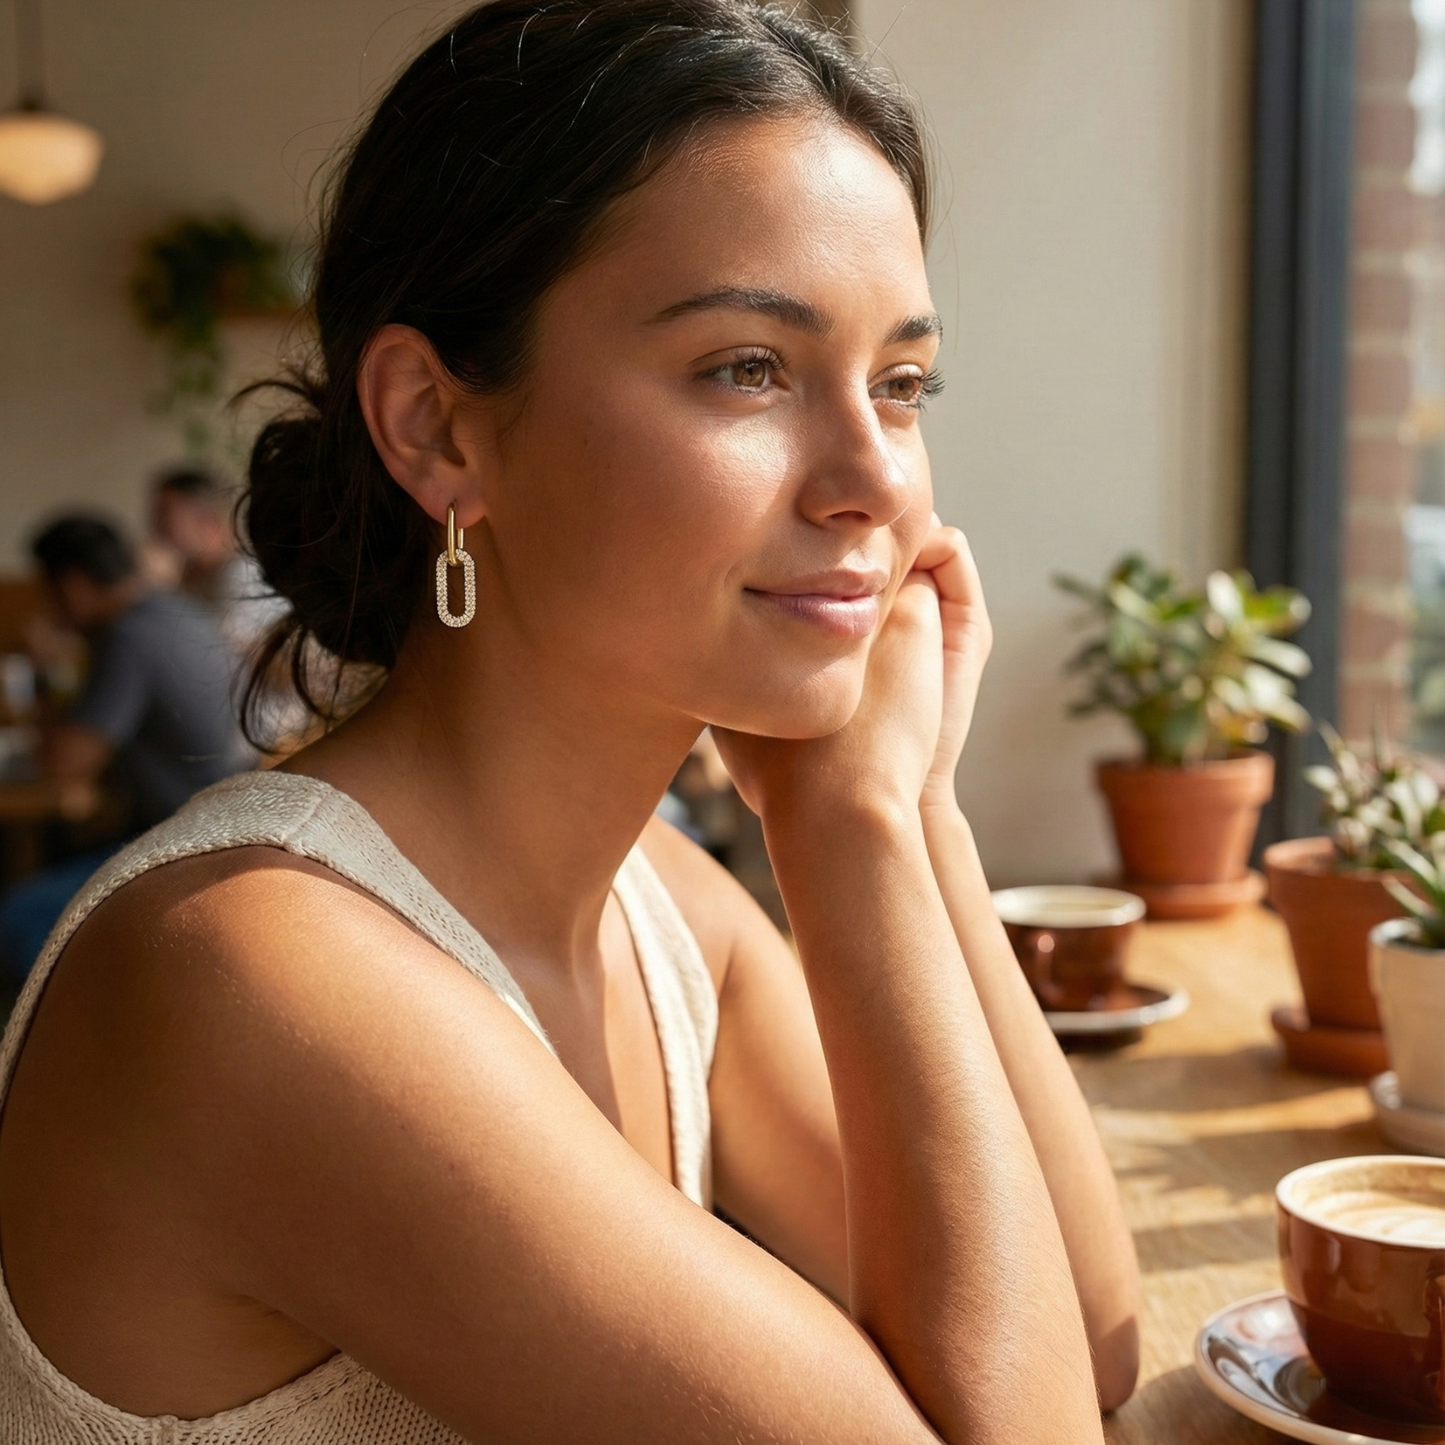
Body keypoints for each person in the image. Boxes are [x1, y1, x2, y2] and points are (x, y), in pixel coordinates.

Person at [0, 4, 1140, 1442]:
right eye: (748, 367)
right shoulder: (255, 979)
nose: (874, 481)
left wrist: (906, 812)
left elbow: (1078, 1346)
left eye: (902, 385)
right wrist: (847, 829)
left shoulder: (653, 898)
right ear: (436, 426)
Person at [0, 515, 252, 978]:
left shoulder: (128, 637)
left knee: (16, 917)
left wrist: (39, 671)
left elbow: (65, 763)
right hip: (230, 823)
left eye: (48, 593)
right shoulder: (176, 610)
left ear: (72, 585)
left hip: (190, 846)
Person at [150, 465, 287, 657]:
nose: (156, 532)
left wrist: (163, 589)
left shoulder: (246, 575)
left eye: (165, 520)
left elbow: (211, 660)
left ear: (209, 525)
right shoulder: (200, 575)